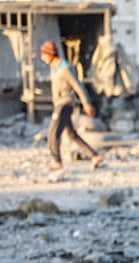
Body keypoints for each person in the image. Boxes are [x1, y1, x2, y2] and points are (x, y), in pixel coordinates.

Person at [38, 40, 103, 172]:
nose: (42, 58)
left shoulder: (65, 68)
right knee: (72, 135)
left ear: (50, 54)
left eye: (44, 55)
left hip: (64, 103)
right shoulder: (54, 67)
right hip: (59, 102)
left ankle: (57, 161)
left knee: (53, 133)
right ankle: (94, 155)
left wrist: (86, 103)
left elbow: (78, 86)